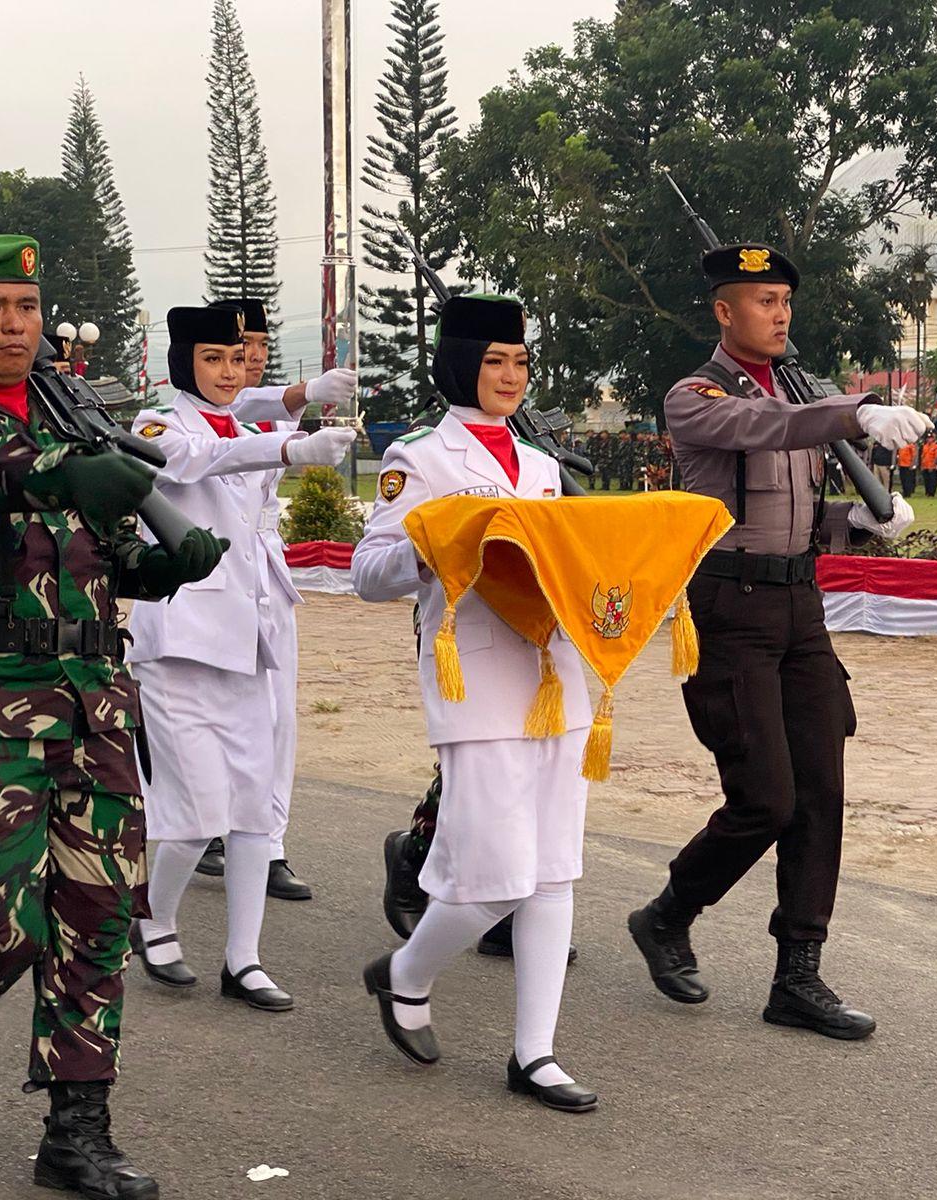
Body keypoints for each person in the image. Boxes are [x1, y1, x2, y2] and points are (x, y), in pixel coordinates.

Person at [0, 234, 226, 1196]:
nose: (15, 325)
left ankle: (77, 1132)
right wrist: (68, 469)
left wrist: (168, 564)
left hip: (95, 699)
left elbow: (106, 558)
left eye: (25, 308)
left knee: (96, 914)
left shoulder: (75, 419)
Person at [628, 242, 924, 1041]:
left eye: (786, 299)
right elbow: (763, 430)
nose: (780, 311)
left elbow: (792, 509)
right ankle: (668, 913)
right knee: (766, 798)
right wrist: (855, 410)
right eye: (762, 300)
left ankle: (798, 974)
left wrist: (853, 522)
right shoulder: (696, 397)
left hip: (801, 607)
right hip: (730, 611)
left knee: (821, 792)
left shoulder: (797, 392)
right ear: (724, 312)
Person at [354, 293, 600, 1111]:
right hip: (478, 679)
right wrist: (439, 547)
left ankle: (535, 1053)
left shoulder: (540, 465)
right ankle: (406, 973)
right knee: (495, 879)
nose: (510, 377)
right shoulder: (420, 456)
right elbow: (368, 573)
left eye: (521, 362)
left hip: (557, 676)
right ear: (461, 363)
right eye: (495, 361)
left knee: (554, 871)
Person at [125, 306, 355, 1012]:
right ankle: (153, 918)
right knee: (196, 812)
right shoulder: (154, 426)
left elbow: (247, 433)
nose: (228, 372)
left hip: (249, 637)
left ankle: (243, 958)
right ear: (184, 364)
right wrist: (289, 450)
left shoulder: (244, 427)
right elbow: (195, 460)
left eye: (236, 357)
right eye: (213, 359)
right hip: (182, 642)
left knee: (254, 808)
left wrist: (300, 411)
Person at [196, 297, 356, 901]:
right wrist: (305, 392)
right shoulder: (199, 415)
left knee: (277, 716)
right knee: (214, 711)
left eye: (257, 348)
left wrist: (301, 400)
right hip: (208, 575)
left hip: (266, 573)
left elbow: (257, 410)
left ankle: (268, 844)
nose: (249, 361)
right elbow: (238, 422)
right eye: (235, 352)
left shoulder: (265, 411)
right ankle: (209, 827)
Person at [918, 430, 937, 498]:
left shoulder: (936, 446)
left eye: (930, 438)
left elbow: (936, 456)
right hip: (925, 466)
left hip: (932, 466)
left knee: (933, 480)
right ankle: (927, 492)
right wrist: (922, 465)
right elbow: (922, 456)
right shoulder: (925, 446)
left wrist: (933, 465)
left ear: (933, 438)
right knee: (926, 480)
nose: (929, 439)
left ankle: (932, 493)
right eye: (928, 438)